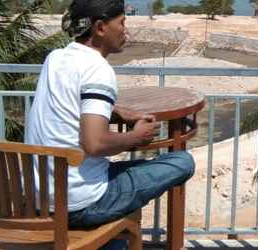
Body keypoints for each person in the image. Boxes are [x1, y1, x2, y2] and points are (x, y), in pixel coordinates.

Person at [24, 0, 195, 247]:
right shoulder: (98, 69)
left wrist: (116, 112)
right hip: (80, 204)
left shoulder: (55, 58)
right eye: (122, 22)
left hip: (40, 198)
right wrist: (136, 137)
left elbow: (71, 102)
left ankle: (113, 238)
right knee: (182, 161)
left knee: (118, 180)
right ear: (101, 28)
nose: (127, 31)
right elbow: (94, 144)